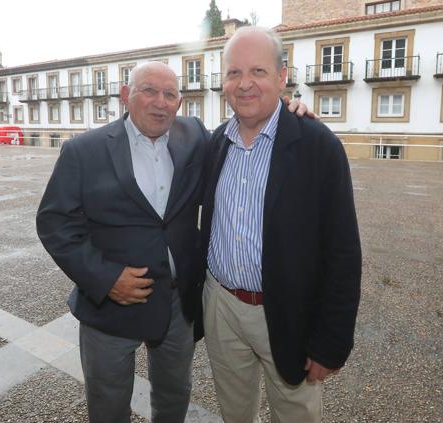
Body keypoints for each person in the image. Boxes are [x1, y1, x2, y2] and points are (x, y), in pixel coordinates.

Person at [36, 60, 311, 422]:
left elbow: (247, 137)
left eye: (169, 94)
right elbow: (55, 223)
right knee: (107, 401)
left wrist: (289, 112)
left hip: (177, 302)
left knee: (173, 395)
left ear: (179, 103)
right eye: (149, 90)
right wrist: (105, 279)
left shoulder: (195, 136)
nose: (160, 102)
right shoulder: (83, 151)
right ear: (125, 96)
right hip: (110, 307)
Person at [199, 27, 362, 422]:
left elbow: (342, 252)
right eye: (234, 73)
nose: (245, 84)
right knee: (234, 411)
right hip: (221, 304)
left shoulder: (318, 146)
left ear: (282, 77)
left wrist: (330, 343)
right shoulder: (215, 142)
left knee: (295, 414)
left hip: (289, 310)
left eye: (257, 71)